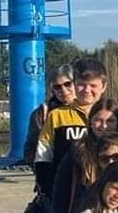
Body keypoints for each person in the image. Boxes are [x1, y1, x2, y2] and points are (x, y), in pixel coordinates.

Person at [35, 57, 108, 200]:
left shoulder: (116, 116)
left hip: (107, 194)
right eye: (82, 85)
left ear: (103, 86)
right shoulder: (56, 117)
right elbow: (43, 157)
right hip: (66, 196)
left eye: (93, 85)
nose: (87, 90)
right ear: (75, 84)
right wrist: (48, 193)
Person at [25, 65, 75, 165]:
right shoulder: (41, 114)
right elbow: (31, 149)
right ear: (53, 90)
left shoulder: (92, 109)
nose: (64, 90)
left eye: (67, 84)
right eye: (57, 87)